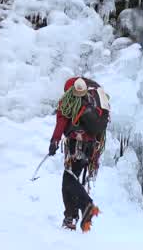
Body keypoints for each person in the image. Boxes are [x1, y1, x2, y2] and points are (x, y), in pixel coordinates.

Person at [48, 76, 109, 231]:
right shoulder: (93, 95)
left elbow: (62, 120)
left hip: (77, 145)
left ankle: (85, 206)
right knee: (70, 180)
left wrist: (55, 140)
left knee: (68, 181)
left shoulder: (69, 101)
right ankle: (71, 217)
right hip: (91, 147)